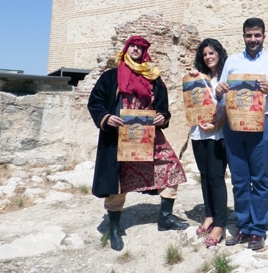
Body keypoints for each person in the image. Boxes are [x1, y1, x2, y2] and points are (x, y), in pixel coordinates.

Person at [87, 35, 188, 252]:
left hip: (149, 135)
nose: (136, 49)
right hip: (118, 136)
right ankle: (114, 227)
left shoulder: (154, 78)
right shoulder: (111, 76)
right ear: (126, 49)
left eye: (140, 48)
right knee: (118, 180)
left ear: (144, 53)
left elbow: (163, 106)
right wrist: (105, 117)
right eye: (132, 46)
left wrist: (163, 116)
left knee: (171, 168)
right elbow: (95, 101)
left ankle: (166, 217)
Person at [215, 17, 268, 251]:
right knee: (239, 180)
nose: (253, 39)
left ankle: (258, 229)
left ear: (264, 36)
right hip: (235, 126)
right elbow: (222, 93)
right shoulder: (232, 62)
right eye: (249, 35)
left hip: (264, 125)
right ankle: (243, 226)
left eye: (257, 35)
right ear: (243, 36)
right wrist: (218, 91)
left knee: (260, 180)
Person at [188, 38, 229, 248]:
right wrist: (193, 78)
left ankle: (220, 223)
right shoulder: (200, 77)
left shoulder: (226, 76)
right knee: (204, 175)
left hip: (218, 133)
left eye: (212, 53)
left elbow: (229, 108)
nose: (208, 57)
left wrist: (216, 126)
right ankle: (209, 215)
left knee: (216, 176)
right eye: (205, 54)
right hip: (198, 132)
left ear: (219, 54)